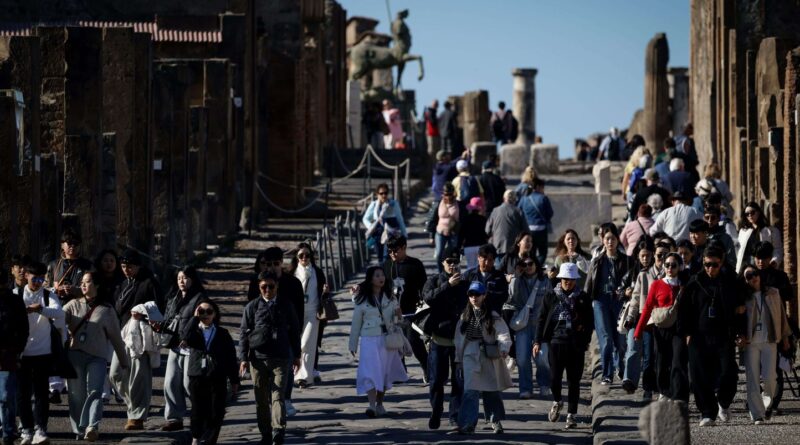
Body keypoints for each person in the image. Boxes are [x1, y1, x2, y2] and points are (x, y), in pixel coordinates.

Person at [677, 246, 746, 427]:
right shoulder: (695, 282)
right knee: (700, 376)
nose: (710, 269)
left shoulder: (729, 282)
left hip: (723, 335)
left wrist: (740, 330)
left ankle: (723, 402)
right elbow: (684, 310)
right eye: (707, 264)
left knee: (728, 372)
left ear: (721, 263)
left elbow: (742, 305)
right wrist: (686, 333)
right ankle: (707, 412)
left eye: (714, 265)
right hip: (699, 336)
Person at [63, 271, 128, 442]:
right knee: (76, 394)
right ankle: (79, 429)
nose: (83, 285)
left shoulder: (107, 310)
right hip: (75, 355)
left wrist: (124, 361)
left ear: (97, 285)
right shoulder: (72, 305)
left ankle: (92, 426)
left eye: (88, 282)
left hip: (97, 357)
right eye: (82, 282)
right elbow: (58, 319)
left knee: (95, 391)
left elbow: (116, 339)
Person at [239, 271, 301, 445]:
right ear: (259, 287)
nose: (267, 290)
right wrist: (243, 358)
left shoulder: (286, 305)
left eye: (271, 286)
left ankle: (278, 431)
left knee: (277, 396)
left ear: (277, 286)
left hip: (281, 358)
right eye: (263, 287)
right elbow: (243, 334)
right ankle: (265, 433)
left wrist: (296, 355)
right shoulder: (252, 307)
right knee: (261, 399)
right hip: (257, 360)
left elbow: (295, 331)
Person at [534, 263, 593, 429]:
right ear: (560, 279)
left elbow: (590, 321)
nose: (568, 282)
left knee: (574, 381)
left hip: (575, 344)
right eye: (565, 278)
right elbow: (541, 319)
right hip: (556, 342)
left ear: (575, 280)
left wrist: (585, 338)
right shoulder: (551, 296)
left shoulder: (583, 297)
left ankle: (571, 415)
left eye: (571, 279)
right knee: (554, 379)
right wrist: (537, 341)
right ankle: (557, 400)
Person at [451, 281, 512, 435]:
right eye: (471, 294)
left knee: (491, 391)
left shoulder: (493, 315)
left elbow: (503, 333)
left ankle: (495, 421)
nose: (474, 297)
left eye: (477, 294)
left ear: (484, 295)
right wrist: (458, 360)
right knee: (470, 391)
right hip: (470, 355)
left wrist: (504, 348)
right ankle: (467, 423)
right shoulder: (464, 316)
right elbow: (459, 340)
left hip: (489, 355)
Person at [14, 261, 65, 445]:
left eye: (41, 279)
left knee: (42, 393)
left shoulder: (47, 295)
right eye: (34, 278)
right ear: (26, 275)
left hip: (43, 351)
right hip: (21, 351)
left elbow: (59, 313)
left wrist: (41, 309)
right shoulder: (16, 294)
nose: (37, 282)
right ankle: (26, 430)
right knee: (22, 394)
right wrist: (23, 310)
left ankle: (41, 429)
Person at [348, 266, 408, 418]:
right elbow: (356, 324)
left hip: (386, 340)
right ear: (370, 279)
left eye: (382, 275)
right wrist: (352, 344)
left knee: (384, 373)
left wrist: (399, 315)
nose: (381, 278)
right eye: (377, 276)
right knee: (369, 372)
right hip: (369, 340)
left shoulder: (391, 298)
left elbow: (398, 321)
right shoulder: (361, 300)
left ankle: (380, 404)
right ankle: (371, 405)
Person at [181, 299, 239, 445]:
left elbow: (231, 357)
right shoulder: (194, 331)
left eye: (209, 311)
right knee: (197, 408)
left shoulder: (223, 333)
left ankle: (210, 439)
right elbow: (185, 337)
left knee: (216, 410)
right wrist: (194, 318)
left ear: (215, 314)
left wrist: (234, 380)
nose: (205, 314)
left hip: (217, 375)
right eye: (201, 311)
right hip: (197, 375)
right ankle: (196, 437)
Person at [421, 250, 468, 430]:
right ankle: (436, 410)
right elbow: (428, 298)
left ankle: (455, 416)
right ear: (442, 263)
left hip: (458, 340)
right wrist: (447, 285)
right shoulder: (434, 280)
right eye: (449, 261)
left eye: (455, 261)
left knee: (459, 381)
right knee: (436, 380)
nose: (452, 264)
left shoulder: (465, 283)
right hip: (438, 338)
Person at [740, 265, 791, 424]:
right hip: (751, 342)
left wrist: (785, 337)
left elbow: (782, 316)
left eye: (755, 274)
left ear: (760, 275)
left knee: (770, 378)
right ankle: (757, 414)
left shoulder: (773, 293)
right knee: (753, 378)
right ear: (744, 280)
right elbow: (737, 320)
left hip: (770, 339)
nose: (753, 278)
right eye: (748, 276)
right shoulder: (742, 297)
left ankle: (764, 403)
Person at [159, 267, 206, 431]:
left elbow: (197, 320)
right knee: (170, 383)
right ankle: (174, 419)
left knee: (189, 384)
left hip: (192, 347)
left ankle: (201, 415)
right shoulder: (173, 297)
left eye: (185, 278)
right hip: (175, 345)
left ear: (192, 279)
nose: (181, 281)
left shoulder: (200, 298)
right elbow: (168, 319)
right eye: (179, 278)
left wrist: (187, 337)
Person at [633, 253, 684, 401]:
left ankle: (676, 393)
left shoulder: (683, 285)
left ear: (679, 267)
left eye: (673, 265)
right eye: (666, 264)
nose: (669, 268)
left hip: (678, 328)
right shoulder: (657, 284)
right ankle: (663, 390)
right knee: (661, 360)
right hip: (660, 328)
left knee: (677, 360)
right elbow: (647, 307)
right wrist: (638, 330)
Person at [261, 247, 304, 418]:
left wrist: (296, 333)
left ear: (282, 263)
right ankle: (272, 400)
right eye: (268, 264)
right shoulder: (258, 282)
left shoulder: (292, 283)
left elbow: (299, 311)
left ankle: (285, 399)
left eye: (276, 263)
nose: (272, 267)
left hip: (286, 333)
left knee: (286, 367)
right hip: (263, 334)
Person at [585, 225, 631, 385]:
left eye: (613, 238)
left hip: (619, 302)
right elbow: (589, 284)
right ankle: (607, 374)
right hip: (600, 302)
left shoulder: (626, 260)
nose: (610, 241)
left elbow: (631, 281)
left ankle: (620, 365)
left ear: (618, 240)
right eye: (607, 239)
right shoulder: (597, 261)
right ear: (603, 241)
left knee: (620, 340)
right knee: (606, 339)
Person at [382, 236, 428, 383]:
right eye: (389, 251)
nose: (392, 254)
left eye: (395, 250)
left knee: (414, 341)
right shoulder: (386, 266)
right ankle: (400, 372)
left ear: (404, 248)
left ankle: (427, 368)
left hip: (411, 311)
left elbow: (424, 287)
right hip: (391, 312)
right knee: (394, 344)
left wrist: (424, 306)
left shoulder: (415, 265)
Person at [626, 241, 668, 400]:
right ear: (654, 257)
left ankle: (662, 388)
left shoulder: (671, 274)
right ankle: (648, 389)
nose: (662, 258)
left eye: (665, 255)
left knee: (662, 356)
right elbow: (636, 298)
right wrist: (631, 317)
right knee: (649, 357)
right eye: (659, 255)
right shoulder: (644, 275)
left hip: (665, 320)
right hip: (648, 320)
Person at [506, 254, 550, 398]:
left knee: (541, 357)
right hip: (522, 324)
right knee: (522, 358)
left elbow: (551, 302)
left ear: (536, 264)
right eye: (524, 265)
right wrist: (515, 277)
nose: (528, 267)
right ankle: (525, 388)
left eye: (530, 263)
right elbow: (511, 297)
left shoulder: (545, 281)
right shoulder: (518, 280)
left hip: (540, 324)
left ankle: (544, 383)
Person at [618, 239, 655, 394]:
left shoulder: (655, 272)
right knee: (632, 348)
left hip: (651, 318)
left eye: (647, 255)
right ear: (638, 256)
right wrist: (624, 291)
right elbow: (621, 290)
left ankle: (648, 387)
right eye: (642, 256)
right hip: (634, 316)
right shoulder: (633, 272)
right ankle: (630, 380)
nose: (645, 259)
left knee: (648, 354)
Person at [119, 301, 163, 431]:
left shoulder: (149, 282)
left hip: (142, 339)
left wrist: (143, 315)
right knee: (115, 375)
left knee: (139, 380)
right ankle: (134, 406)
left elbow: (158, 310)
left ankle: (137, 417)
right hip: (122, 334)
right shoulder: (121, 284)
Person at [291, 243, 328, 388]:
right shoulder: (292, 273)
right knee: (297, 344)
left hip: (313, 312)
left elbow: (323, 291)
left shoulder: (317, 272)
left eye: (307, 255)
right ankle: (297, 373)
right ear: (296, 257)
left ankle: (304, 377)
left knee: (307, 343)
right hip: (296, 313)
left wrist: (325, 291)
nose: (304, 258)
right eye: (301, 255)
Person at [0, 267, 29, 445]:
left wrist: (18, 349)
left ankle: (8, 430)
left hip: (8, 353)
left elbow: (23, 329)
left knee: (5, 395)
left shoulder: (14, 301)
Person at [45, 228, 92, 306]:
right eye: (69, 243)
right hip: (56, 306)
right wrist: (55, 289)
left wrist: (75, 290)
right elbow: (44, 288)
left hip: (79, 308)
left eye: (76, 243)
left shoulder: (88, 265)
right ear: (62, 245)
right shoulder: (53, 265)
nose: (72, 246)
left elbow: (93, 289)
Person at [362, 183, 407, 263]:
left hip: (392, 233)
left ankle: (390, 272)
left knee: (390, 256)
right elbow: (365, 218)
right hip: (378, 234)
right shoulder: (374, 205)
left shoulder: (393, 204)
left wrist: (404, 234)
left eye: (385, 193)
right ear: (377, 194)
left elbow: (400, 219)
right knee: (380, 256)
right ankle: (382, 271)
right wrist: (371, 227)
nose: (384, 195)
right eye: (381, 193)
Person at [485, 190, 528, 269]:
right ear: (515, 199)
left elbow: (487, 230)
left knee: (499, 270)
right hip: (513, 247)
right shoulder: (518, 211)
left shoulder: (495, 210)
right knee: (512, 269)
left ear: (504, 198)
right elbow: (525, 230)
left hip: (498, 246)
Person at [736, 201, 783, 273]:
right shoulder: (743, 232)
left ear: (758, 212)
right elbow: (739, 251)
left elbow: (778, 249)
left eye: (752, 212)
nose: (750, 215)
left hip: (765, 266)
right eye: (747, 214)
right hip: (747, 268)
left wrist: (774, 261)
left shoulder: (771, 231)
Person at [463, 244, 509, 315]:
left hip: (492, 314)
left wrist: (486, 296)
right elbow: (462, 294)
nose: (487, 263)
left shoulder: (500, 276)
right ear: (478, 257)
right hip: (471, 314)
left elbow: (504, 296)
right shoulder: (468, 275)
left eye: (490, 260)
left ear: (494, 260)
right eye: (484, 258)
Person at [518, 177, 553, 265]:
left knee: (530, 251)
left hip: (528, 230)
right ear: (538, 187)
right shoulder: (543, 198)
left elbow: (519, 211)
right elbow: (550, 213)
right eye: (542, 187)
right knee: (542, 253)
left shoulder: (524, 198)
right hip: (541, 229)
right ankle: (537, 267)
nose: (543, 190)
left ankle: (530, 267)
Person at [429, 183, 460, 272]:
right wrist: (431, 236)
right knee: (439, 254)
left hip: (453, 233)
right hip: (440, 232)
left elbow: (461, 220)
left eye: (450, 194)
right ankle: (440, 272)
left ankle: (452, 272)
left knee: (453, 255)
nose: (448, 197)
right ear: (443, 194)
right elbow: (432, 219)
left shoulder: (458, 204)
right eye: (446, 194)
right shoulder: (438, 203)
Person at [459, 197, 488, 269]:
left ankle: (470, 280)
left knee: (470, 266)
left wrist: (459, 246)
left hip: (469, 246)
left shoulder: (466, 219)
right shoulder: (483, 219)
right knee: (481, 267)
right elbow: (487, 233)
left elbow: (461, 234)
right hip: (481, 246)